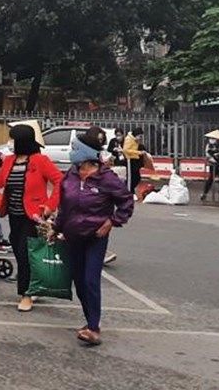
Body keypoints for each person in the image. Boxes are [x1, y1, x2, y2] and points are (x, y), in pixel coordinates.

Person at [0, 123, 62, 312]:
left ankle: (26, 295)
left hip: (33, 217)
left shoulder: (40, 161)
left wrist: (50, 206)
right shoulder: (9, 161)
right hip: (15, 215)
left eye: (13, 139)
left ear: (22, 141)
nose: (10, 143)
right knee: (18, 250)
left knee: (24, 255)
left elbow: (60, 181)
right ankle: (35, 285)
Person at [56, 131, 135, 346]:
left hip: (95, 237)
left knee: (91, 279)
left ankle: (93, 327)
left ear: (86, 152)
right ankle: (90, 319)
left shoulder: (107, 178)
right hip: (72, 236)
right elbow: (64, 206)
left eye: (75, 148)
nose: (72, 152)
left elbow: (126, 202)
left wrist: (112, 222)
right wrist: (57, 228)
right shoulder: (71, 175)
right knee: (79, 281)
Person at [201, 129, 219, 201]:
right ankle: (205, 193)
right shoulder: (209, 146)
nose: (211, 139)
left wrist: (218, 155)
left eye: (213, 138)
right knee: (210, 179)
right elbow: (208, 155)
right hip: (213, 165)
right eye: (211, 138)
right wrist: (213, 159)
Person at [122, 127, 148, 194]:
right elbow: (125, 150)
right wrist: (138, 152)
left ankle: (130, 189)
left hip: (134, 159)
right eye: (140, 136)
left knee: (137, 177)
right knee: (130, 177)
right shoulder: (129, 139)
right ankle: (128, 191)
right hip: (129, 159)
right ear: (136, 134)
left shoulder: (134, 140)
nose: (140, 138)